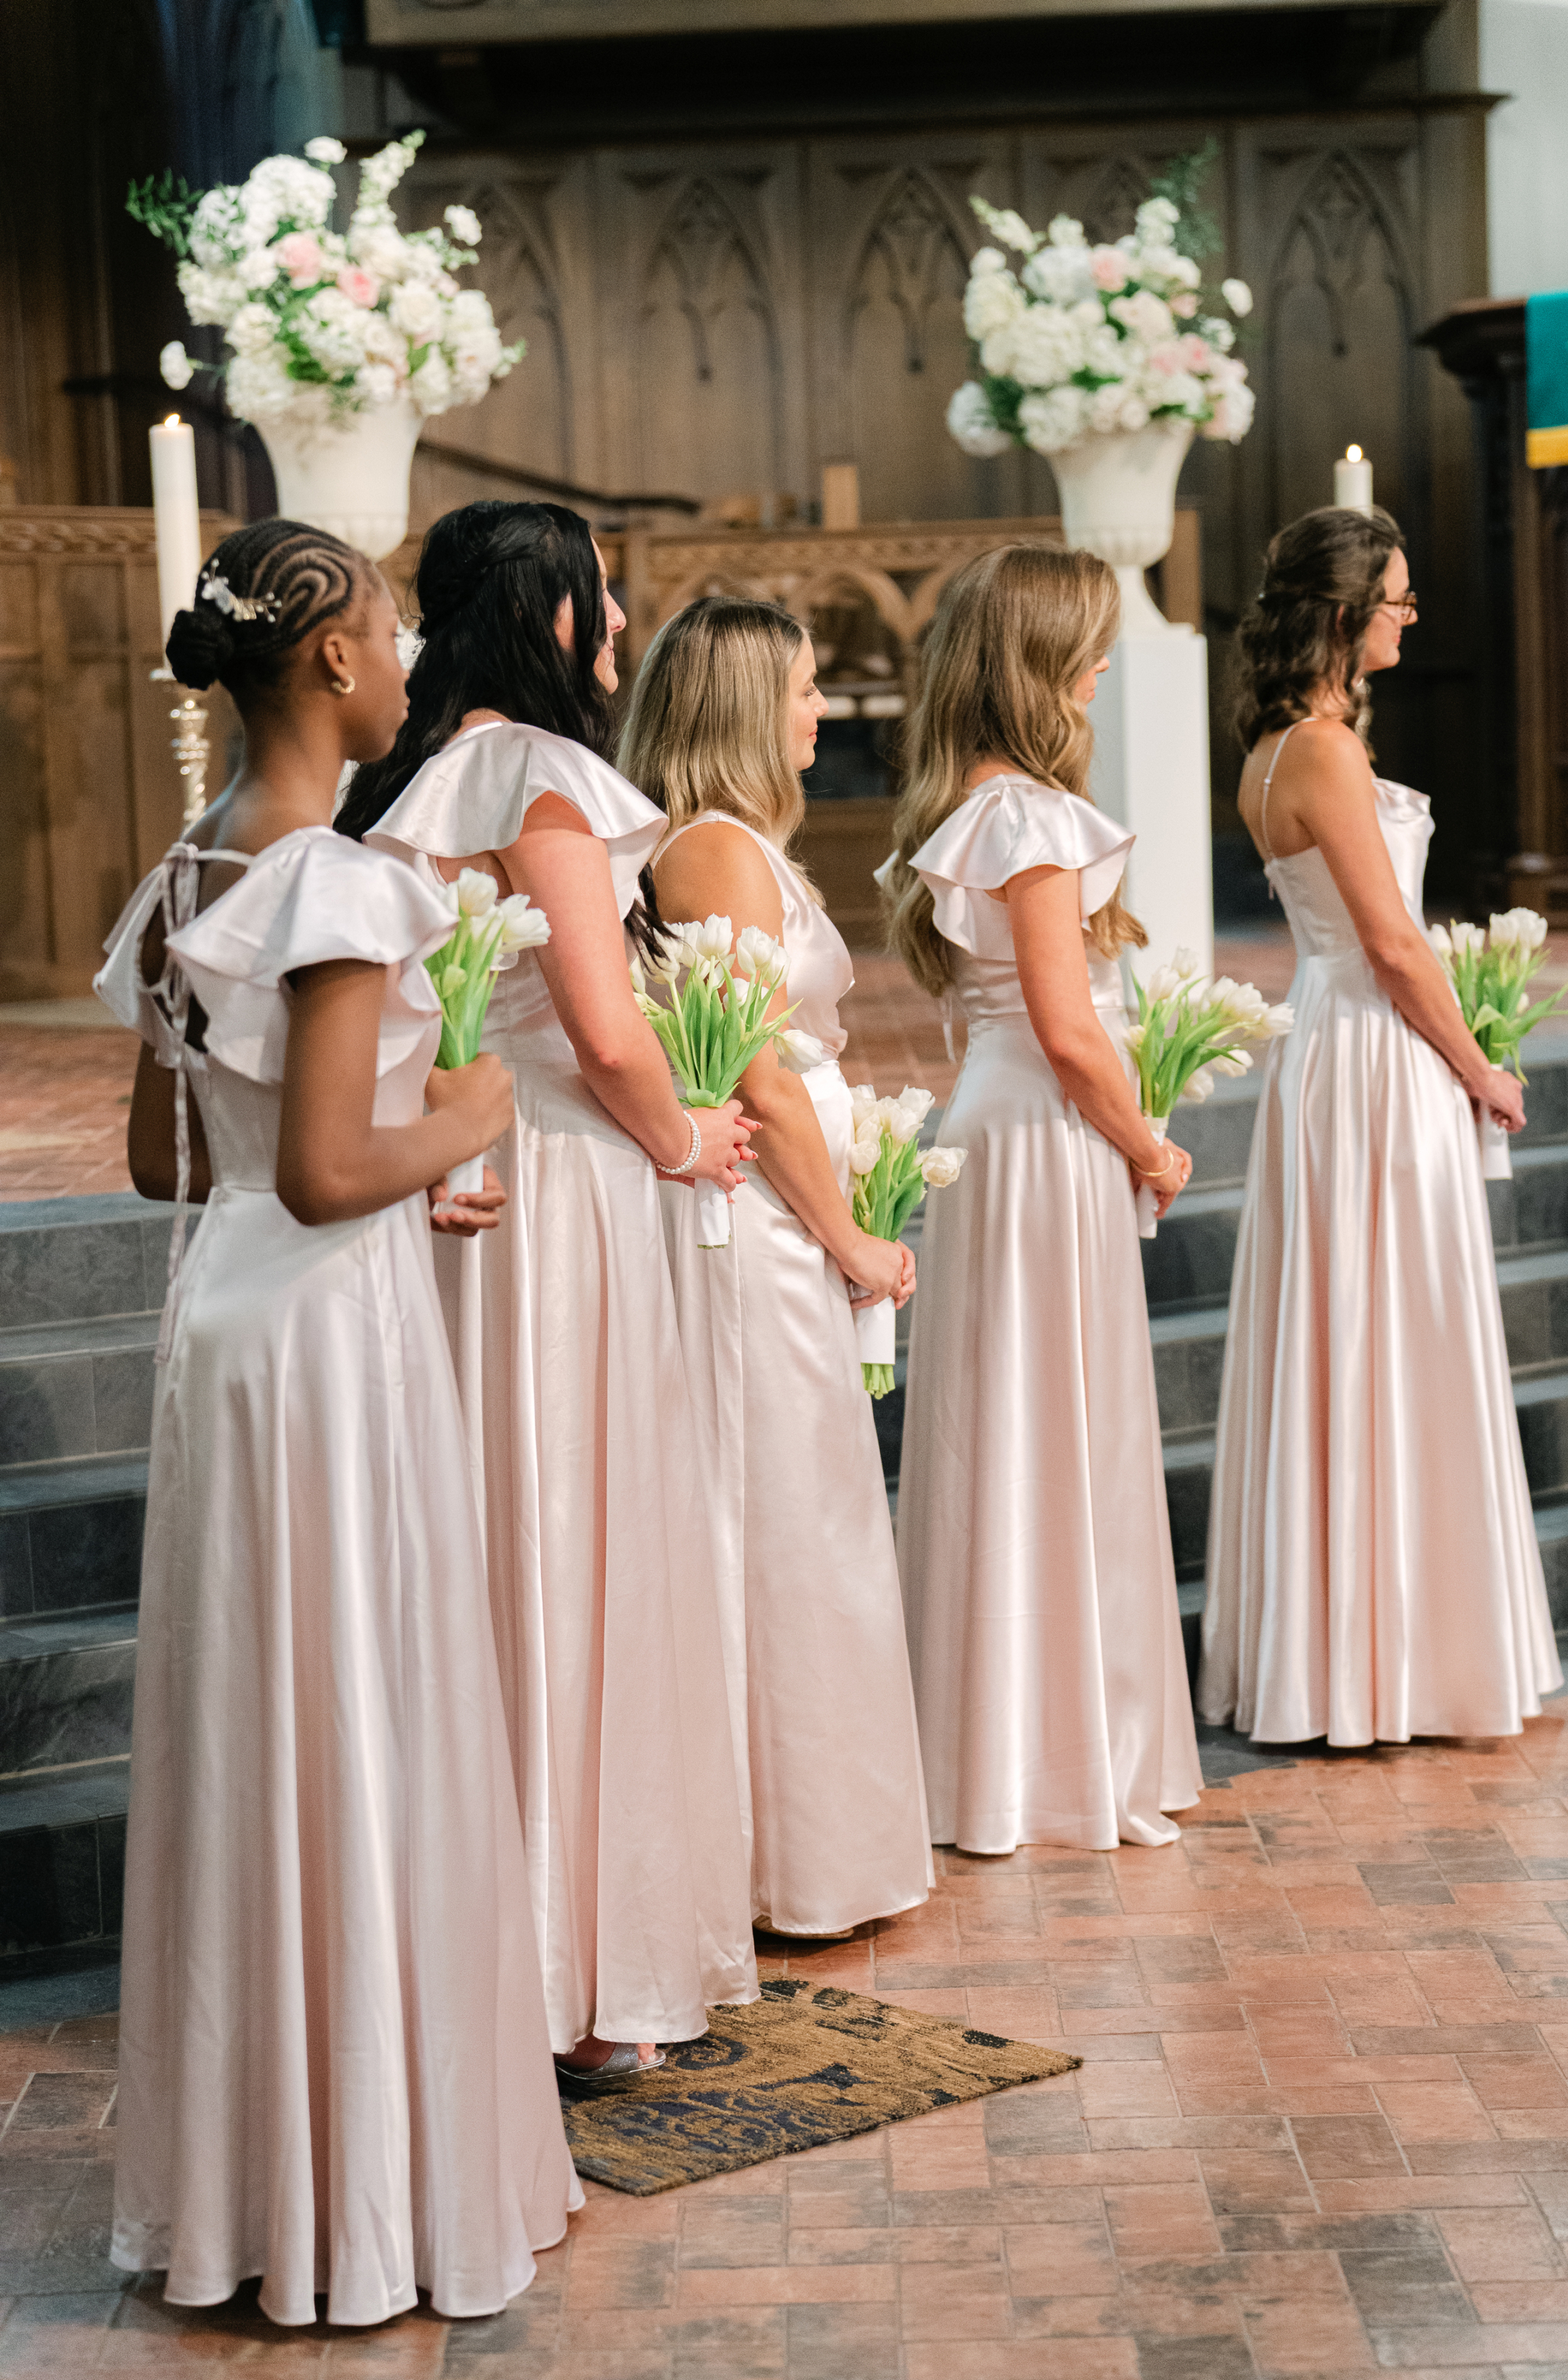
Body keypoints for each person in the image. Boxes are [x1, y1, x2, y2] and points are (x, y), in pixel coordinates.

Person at [96, 520, 579, 2325]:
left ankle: (252, 2186)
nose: (400, 664)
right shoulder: (348, 880)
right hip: (325, 1350)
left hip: (223, 1337)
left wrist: (391, 1177)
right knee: (360, 1715)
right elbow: (322, 1169)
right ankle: (368, 2193)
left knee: (257, 1731)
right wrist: (477, 1115)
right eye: (384, 635)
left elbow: (177, 1161)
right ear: (331, 667)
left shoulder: (185, 870)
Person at [336, 500, 759, 2075]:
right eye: (603, 590)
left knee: (485, 1537)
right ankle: (579, 1981)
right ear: (555, 610)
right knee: (578, 1533)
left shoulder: (406, 782)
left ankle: (475, 1948)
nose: (621, 615)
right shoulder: (541, 778)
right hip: (566, 1191)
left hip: (453, 1186)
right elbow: (598, 1019)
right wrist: (688, 1134)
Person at [1200, 506, 1560, 1743]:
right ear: (1345, 615)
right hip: (1378, 1055)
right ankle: (1392, 1659)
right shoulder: (1321, 751)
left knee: (1360, 1330)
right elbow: (1395, 949)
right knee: (1391, 1325)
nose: (1412, 618)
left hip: (1336, 1053)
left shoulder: (1280, 747)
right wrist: (1482, 1068)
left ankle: (1366, 1643)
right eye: (1398, 601)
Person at [617, 595, 936, 1938]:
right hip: (758, 1219)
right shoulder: (714, 853)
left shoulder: (742, 847)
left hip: (786, 1203)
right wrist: (850, 1231)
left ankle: (818, 1845)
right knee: (782, 1525)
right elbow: (763, 1073)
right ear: (747, 707)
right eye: (805, 689)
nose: (821, 711)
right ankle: (772, 1864)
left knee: (812, 1520)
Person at [882, 543, 1202, 1854]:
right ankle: (1063, 1758)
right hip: (1051, 1128)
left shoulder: (968, 808)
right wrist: (1148, 1143)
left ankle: (996, 1749)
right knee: (1059, 1429)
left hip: (995, 1128)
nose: (1105, 667)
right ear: (1039, 667)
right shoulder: (1033, 822)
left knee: (995, 1434)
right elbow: (1074, 1034)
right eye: (1088, 646)